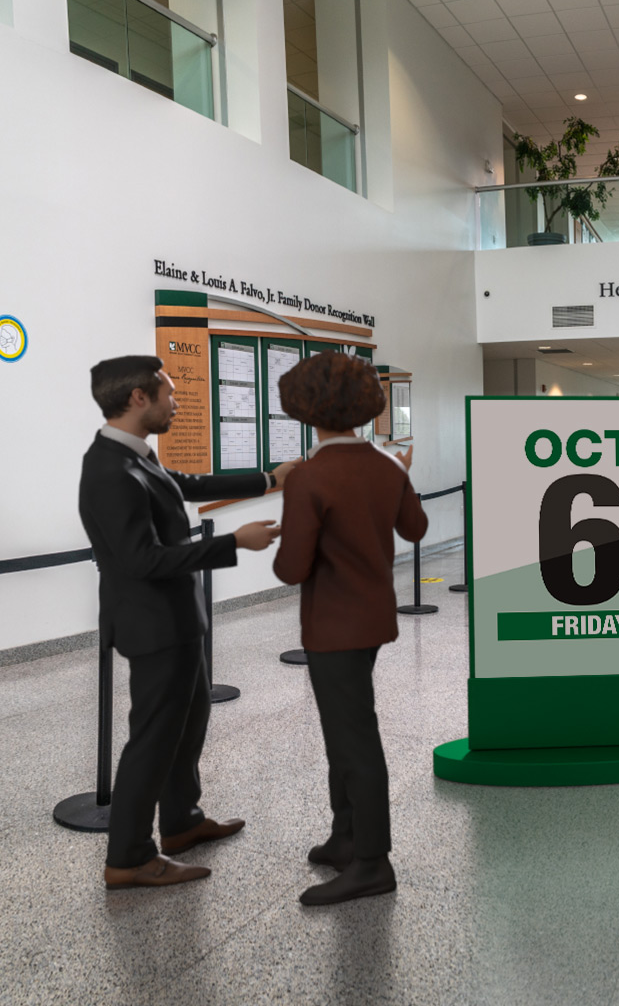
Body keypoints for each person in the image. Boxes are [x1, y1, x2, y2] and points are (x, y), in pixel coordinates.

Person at [78, 356, 292, 890]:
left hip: (177, 620)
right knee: (152, 740)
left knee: (187, 725)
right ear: (137, 399)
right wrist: (231, 544)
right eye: (169, 393)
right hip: (153, 627)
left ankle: (181, 823)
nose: (176, 402)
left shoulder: (135, 457)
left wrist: (269, 478)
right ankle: (128, 857)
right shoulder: (108, 470)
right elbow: (141, 561)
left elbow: (187, 485)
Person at [272, 351, 425, 907]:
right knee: (347, 730)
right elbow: (415, 527)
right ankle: (345, 835)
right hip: (372, 620)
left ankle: (371, 861)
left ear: (307, 409)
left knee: (353, 739)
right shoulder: (387, 466)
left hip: (331, 625)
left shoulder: (310, 477)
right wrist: (401, 476)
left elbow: (290, 568)